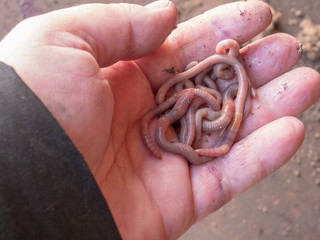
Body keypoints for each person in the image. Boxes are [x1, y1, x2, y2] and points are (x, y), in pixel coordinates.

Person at [0, 0, 319, 239]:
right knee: (191, 112)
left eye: (227, 54)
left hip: (200, 109)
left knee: (198, 115)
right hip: (193, 108)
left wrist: (24, 122)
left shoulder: (208, 91)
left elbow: (199, 92)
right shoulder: (190, 93)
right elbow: (188, 92)